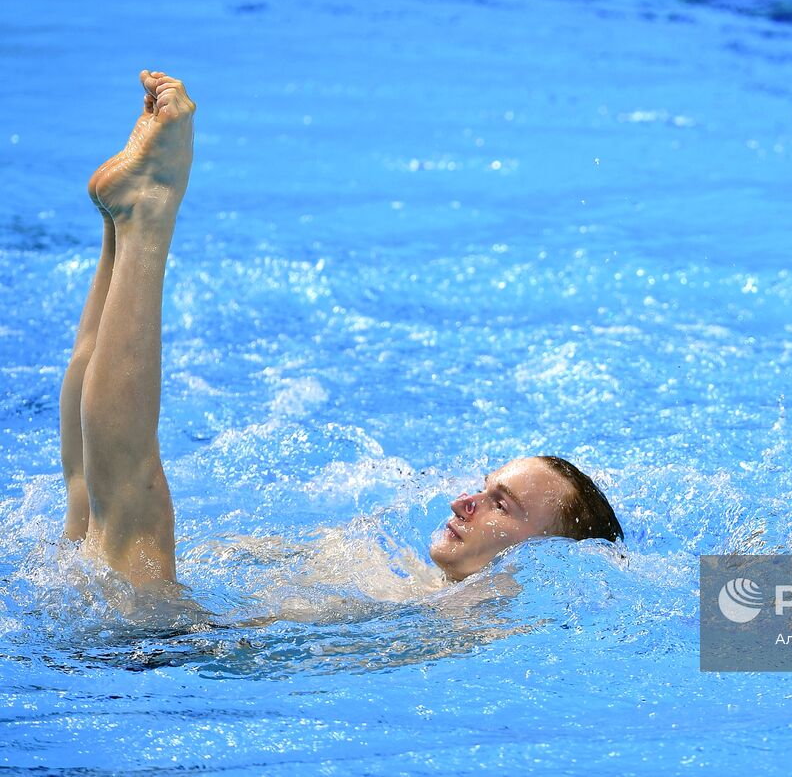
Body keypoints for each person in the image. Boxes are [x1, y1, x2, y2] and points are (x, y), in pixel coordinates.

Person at [59, 71, 622, 588]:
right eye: (484, 487)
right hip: (136, 643)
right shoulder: (409, 584)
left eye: (501, 505)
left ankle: (137, 220)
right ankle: (126, 223)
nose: (461, 502)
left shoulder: (490, 620)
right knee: (92, 516)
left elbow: (714, 645)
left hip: (165, 646)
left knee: (122, 525)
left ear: (552, 560)